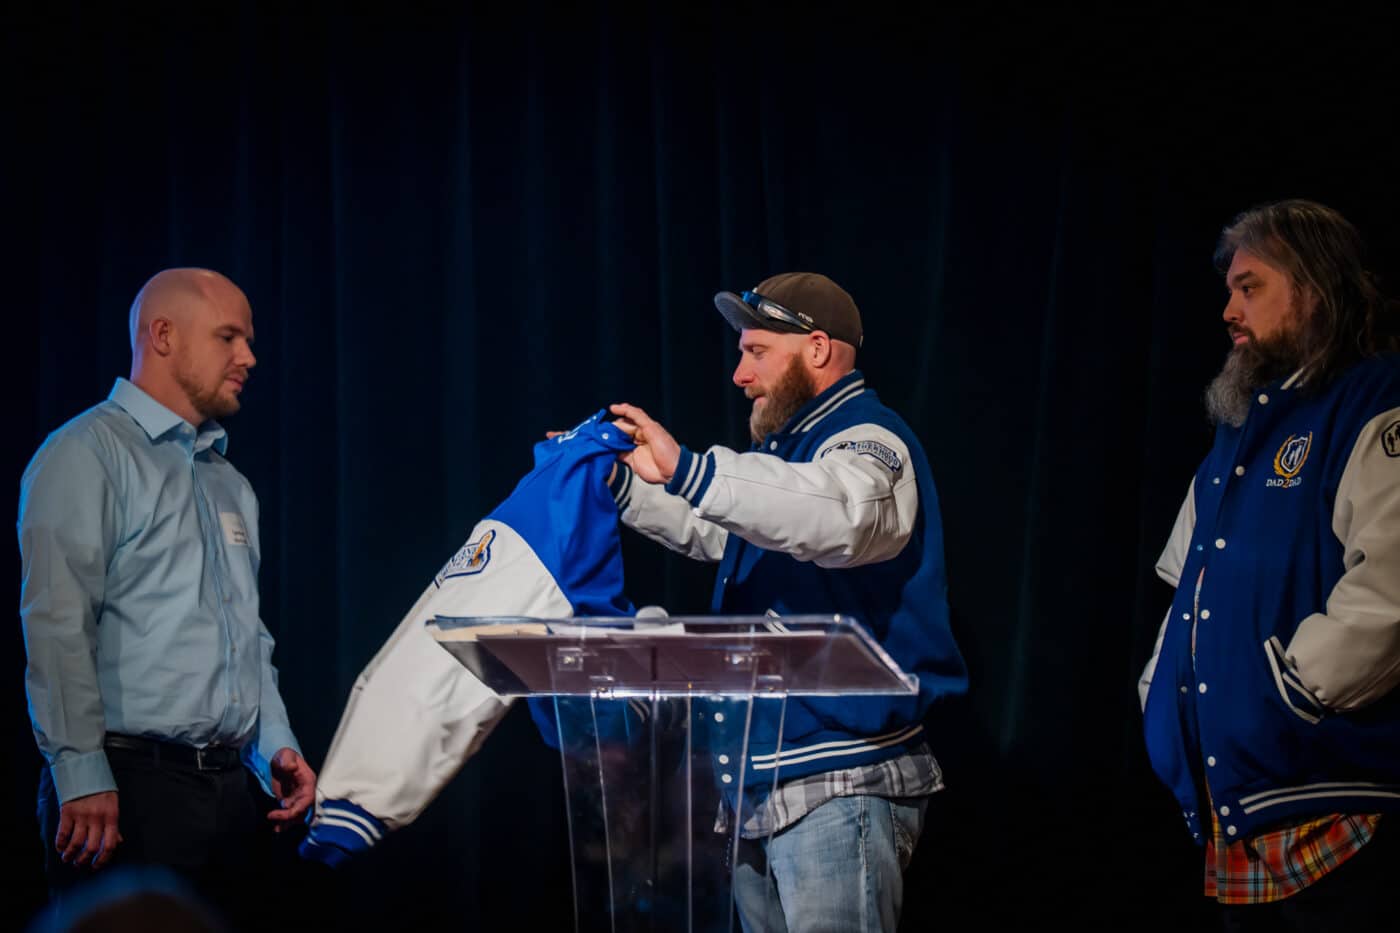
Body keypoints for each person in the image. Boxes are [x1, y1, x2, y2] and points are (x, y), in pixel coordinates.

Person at [606, 272, 968, 933]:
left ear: (819, 349)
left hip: (838, 783)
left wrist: (690, 469)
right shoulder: (789, 460)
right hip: (757, 787)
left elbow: (838, 514)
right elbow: (729, 524)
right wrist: (620, 486)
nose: (740, 375)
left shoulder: (871, 441)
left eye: (757, 352)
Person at [18, 268, 316, 925]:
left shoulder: (229, 483)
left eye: (249, 339)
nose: (249, 357)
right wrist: (81, 771)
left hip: (231, 797)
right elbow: (58, 623)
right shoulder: (84, 453)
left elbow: (246, 636)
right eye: (229, 336)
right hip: (128, 792)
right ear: (162, 336)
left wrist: (275, 746)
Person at [1139, 200, 1400, 931]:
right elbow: (1185, 588)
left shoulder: (1373, 398)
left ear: (1315, 287)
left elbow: (1391, 583)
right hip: (1238, 811)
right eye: (1228, 290)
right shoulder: (1236, 434)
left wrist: (1290, 692)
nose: (1228, 309)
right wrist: (1160, 700)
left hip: (1330, 802)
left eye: (1249, 287)